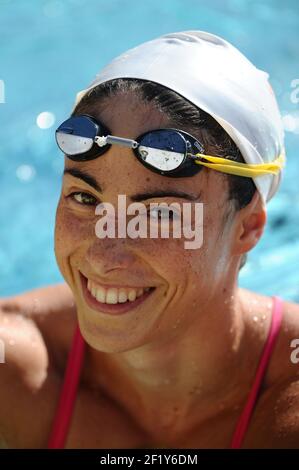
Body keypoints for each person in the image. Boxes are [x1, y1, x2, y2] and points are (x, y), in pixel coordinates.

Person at [1, 30, 299, 449]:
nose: (105, 256)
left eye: (160, 214)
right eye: (85, 197)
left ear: (248, 228)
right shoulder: (15, 367)